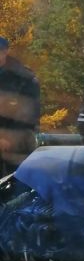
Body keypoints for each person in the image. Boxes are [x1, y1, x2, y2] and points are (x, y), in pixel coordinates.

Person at [0, 36, 40, 176]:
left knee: (16, 187)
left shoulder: (24, 79)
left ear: (5, 52)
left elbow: (28, 113)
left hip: (16, 146)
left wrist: (8, 138)